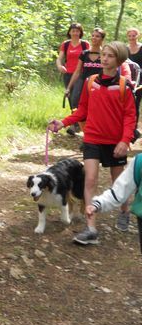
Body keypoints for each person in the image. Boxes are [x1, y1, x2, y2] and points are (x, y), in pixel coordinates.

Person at [48, 41, 136, 244]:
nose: (104, 59)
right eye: (103, 55)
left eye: (110, 56)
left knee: (118, 183)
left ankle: (124, 210)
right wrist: (63, 122)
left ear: (119, 60)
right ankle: (90, 228)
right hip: (93, 139)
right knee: (90, 180)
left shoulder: (124, 86)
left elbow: (130, 117)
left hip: (115, 143)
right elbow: (82, 111)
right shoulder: (91, 82)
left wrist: (125, 140)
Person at [56, 23, 89, 112]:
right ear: (69, 32)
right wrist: (59, 66)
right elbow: (59, 58)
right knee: (70, 96)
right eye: (73, 31)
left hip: (80, 74)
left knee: (76, 97)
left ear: (80, 33)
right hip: (68, 74)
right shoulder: (66, 44)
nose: (75, 33)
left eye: (77, 31)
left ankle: (78, 121)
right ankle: (74, 121)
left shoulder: (85, 44)